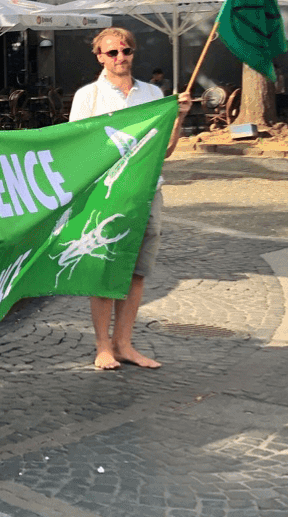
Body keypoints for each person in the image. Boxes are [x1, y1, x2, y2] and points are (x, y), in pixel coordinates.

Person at [70, 28, 191, 371]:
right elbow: (77, 149)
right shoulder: (88, 97)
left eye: (126, 51)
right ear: (100, 57)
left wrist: (179, 117)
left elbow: (164, 150)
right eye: (112, 53)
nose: (120, 58)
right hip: (107, 194)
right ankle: (103, 346)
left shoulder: (152, 93)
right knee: (104, 268)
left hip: (147, 192)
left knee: (136, 272)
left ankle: (124, 343)